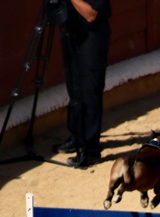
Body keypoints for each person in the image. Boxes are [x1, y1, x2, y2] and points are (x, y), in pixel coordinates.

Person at [53, 0, 112, 168]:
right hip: (72, 33)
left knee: (90, 91)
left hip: (92, 38)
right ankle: (77, 137)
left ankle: (91, 150)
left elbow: (91, 15)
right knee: (74, 88)